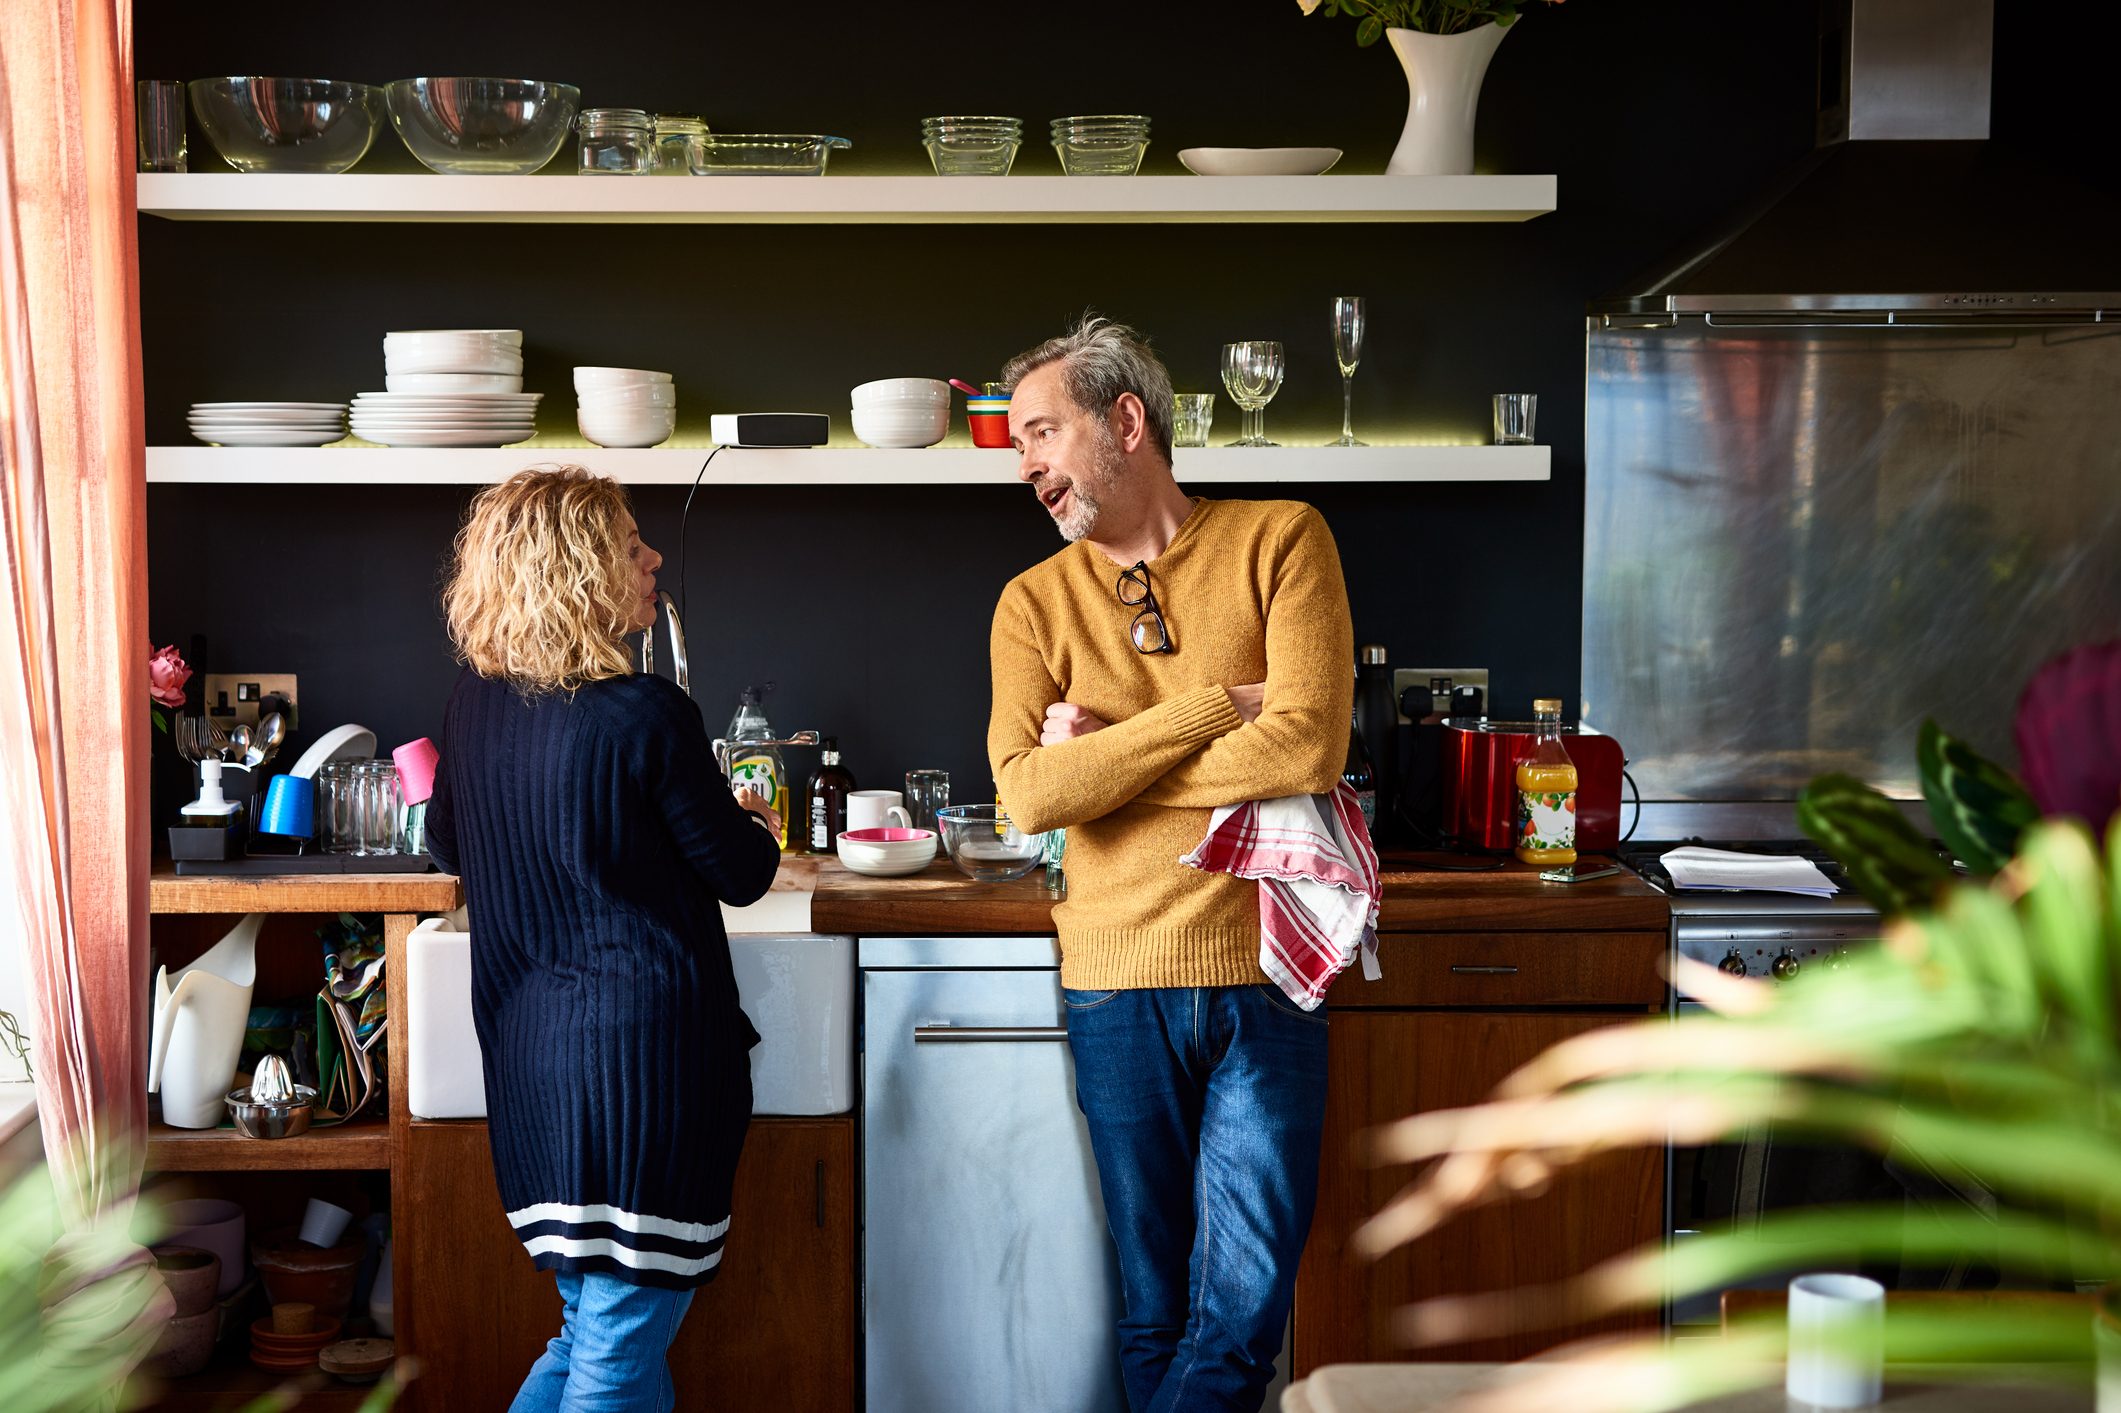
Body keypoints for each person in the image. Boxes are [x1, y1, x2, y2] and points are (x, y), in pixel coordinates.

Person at [986, 317, 1355, 1412]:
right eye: (1019, 446)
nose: (1030, 466)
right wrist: (1210, 711)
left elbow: (1309, 746)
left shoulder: (1283, 539)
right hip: (1112, 974)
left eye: (1043, 432)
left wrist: (1100, 756)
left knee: (1237, 1319)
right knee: (1156, 1311)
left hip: (1262, 969)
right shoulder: (1031, 603)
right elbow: (1029, 795)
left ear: (1126, 423)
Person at [424, 465, 782, 1412]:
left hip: (534, 1075)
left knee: (593, 1334)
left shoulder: (473, 710)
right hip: (644, 1080)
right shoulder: (648, 715)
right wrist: (755, 815)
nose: (652, 555)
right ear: (580, 567)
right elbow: (742, 873)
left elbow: (447, 841)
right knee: (616, 1353)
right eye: (630, 542)